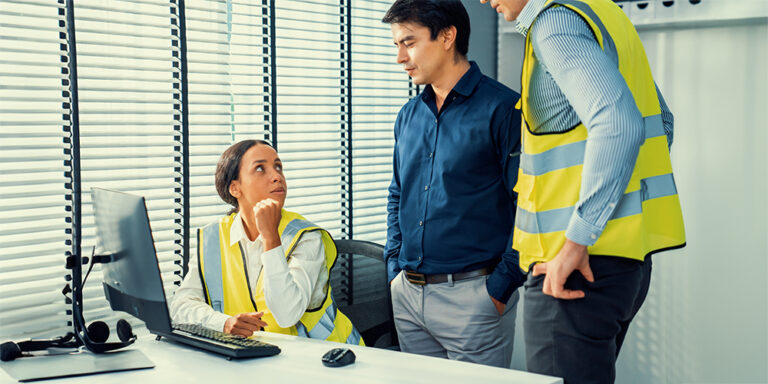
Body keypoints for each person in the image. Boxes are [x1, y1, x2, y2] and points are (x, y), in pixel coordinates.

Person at [481, 0, 686, 382]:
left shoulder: (554, 24)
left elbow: (620, 126)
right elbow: (663, 124)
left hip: (574, 266)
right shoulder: (605, 14)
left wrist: (578, 239)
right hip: (621, 266)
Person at [381, 0, 526, 368]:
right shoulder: (408, 115)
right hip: (409, 296)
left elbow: (529, 204)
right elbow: (398, 192)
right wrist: (394, 267)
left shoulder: (505, 110)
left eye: (409, 42)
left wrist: (501, 286)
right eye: (397, 44)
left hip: (476, 296)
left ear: (447, 36)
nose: (401, 57)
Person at [170, 139, 363, 345]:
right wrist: (223, 323)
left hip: (327, 358)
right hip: (254, 355)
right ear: (235, 188)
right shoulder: (213, 238)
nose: (277, 176)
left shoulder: (306, 236)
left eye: (278, 167)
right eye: (260, 168)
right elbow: (180, 305)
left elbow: (286, 314)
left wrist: (271, 237)